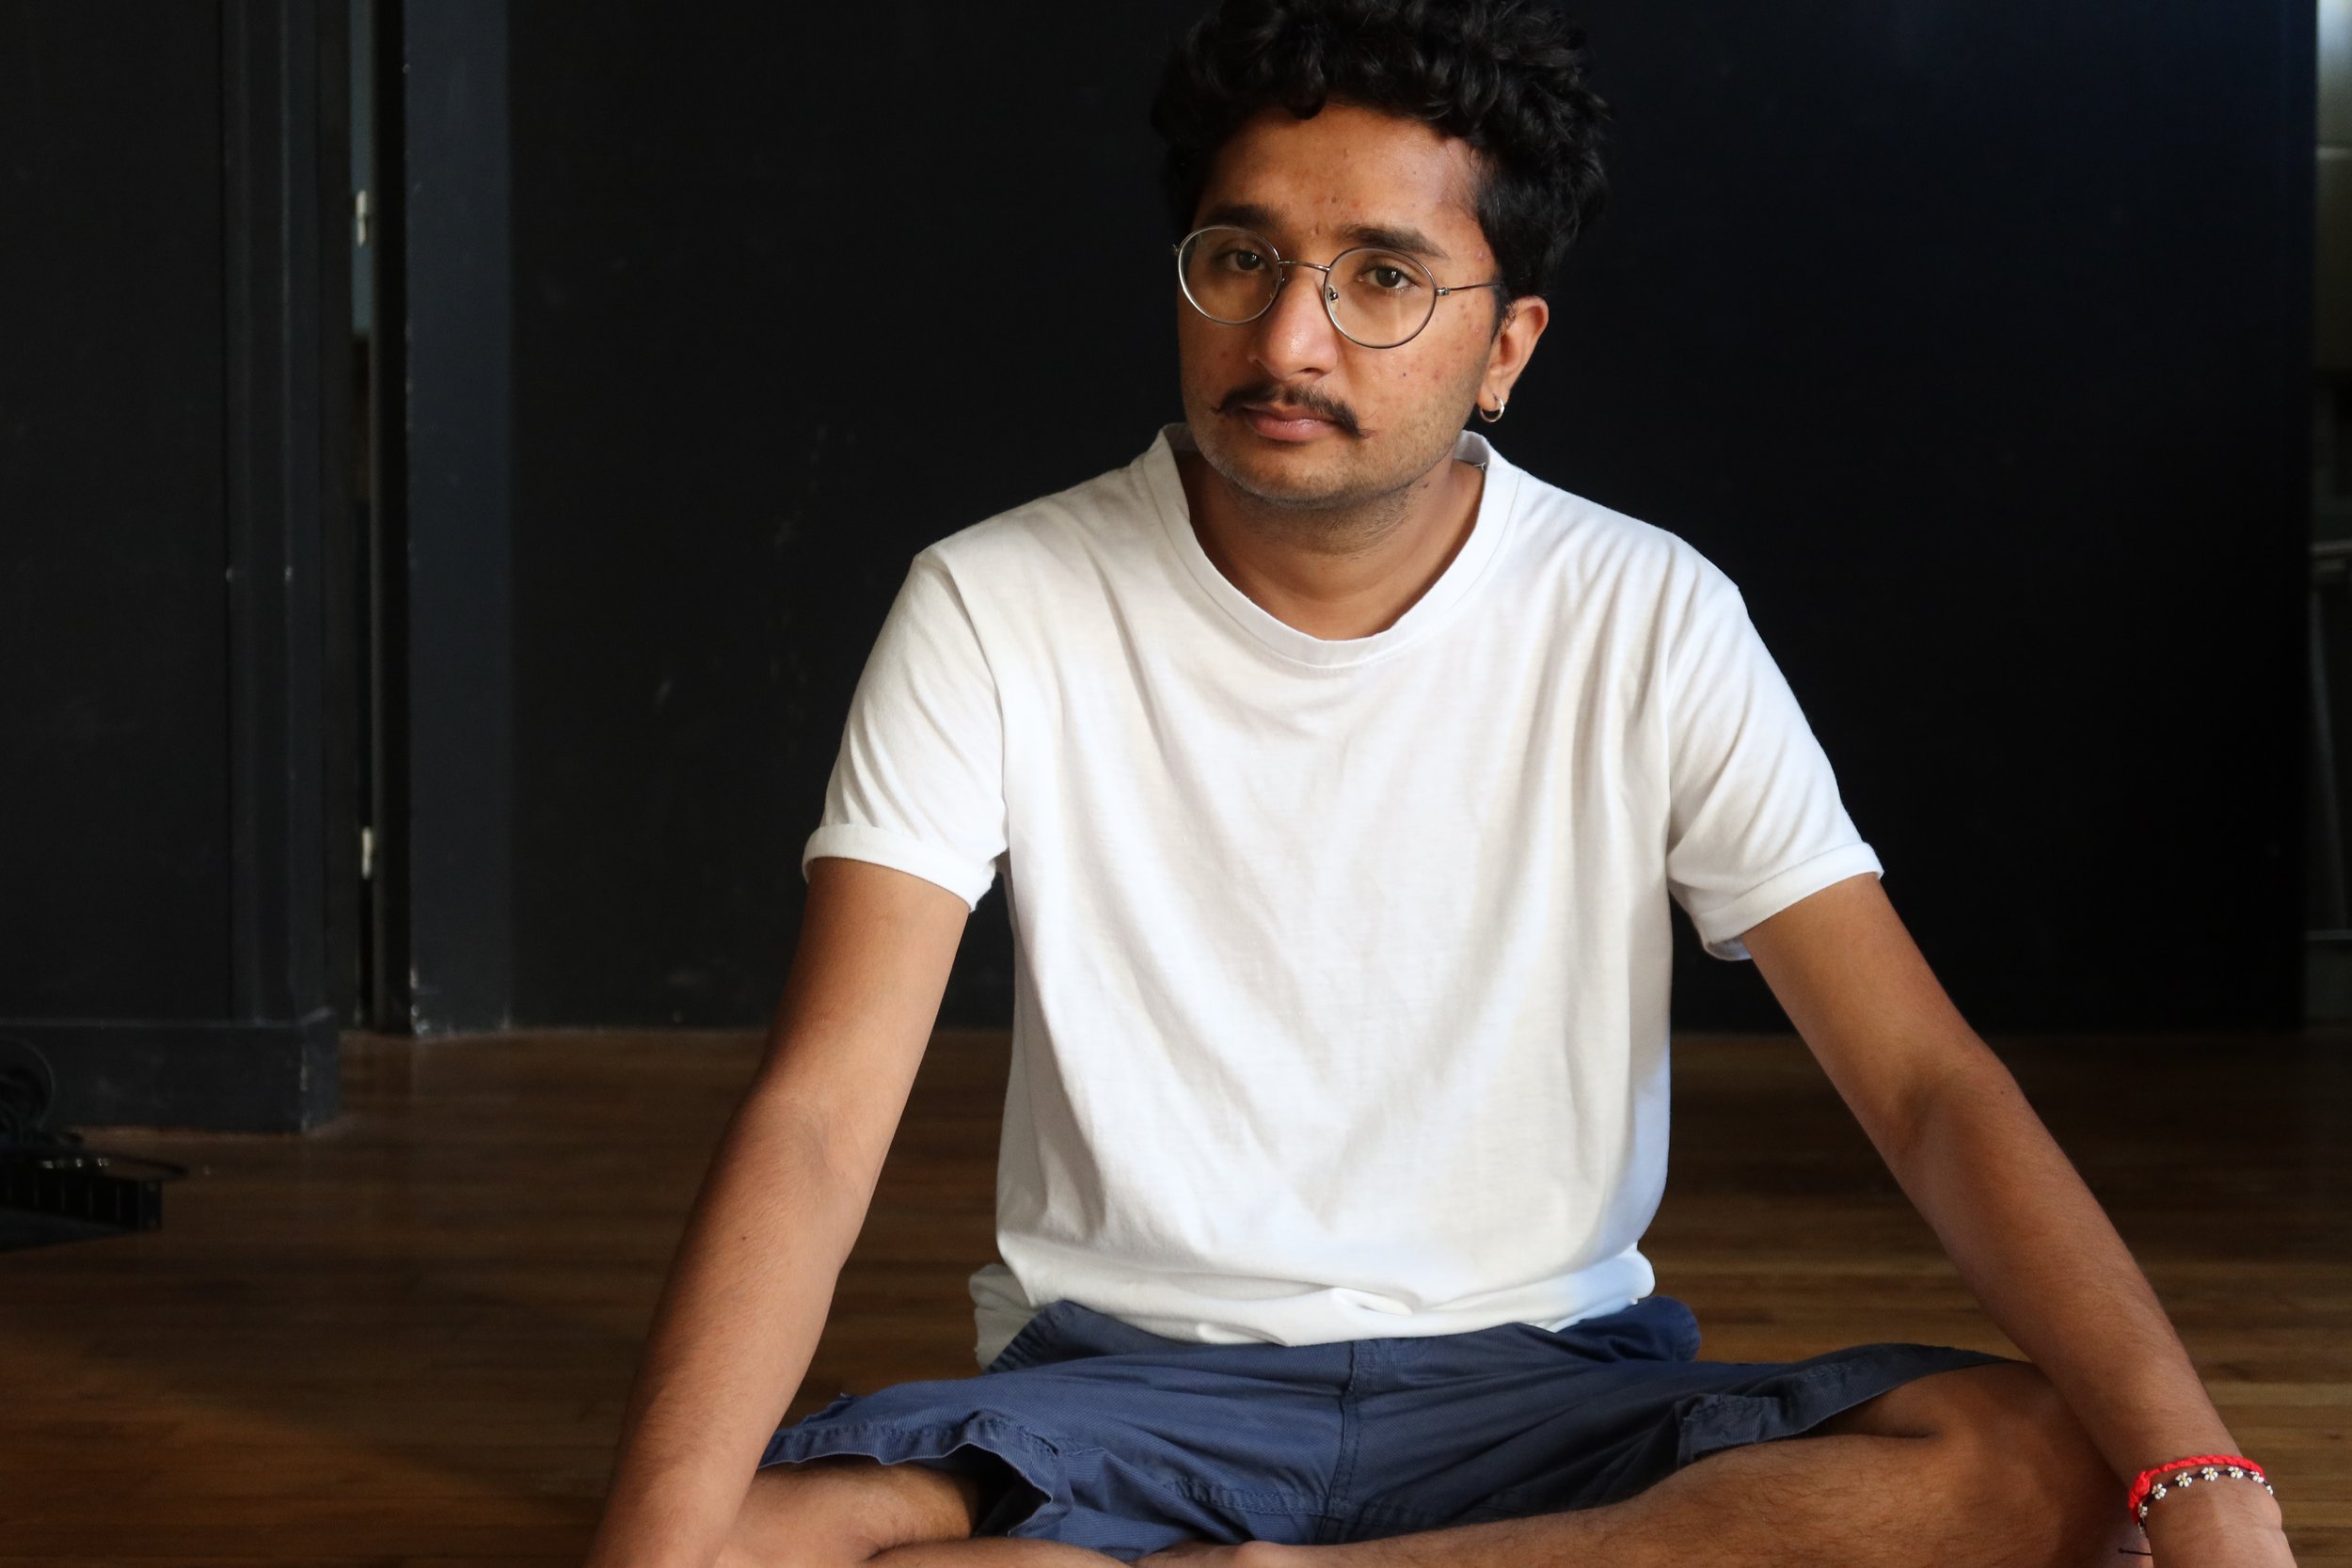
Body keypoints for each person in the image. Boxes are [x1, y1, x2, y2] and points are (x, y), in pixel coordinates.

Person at [583, 3, 2298, 1565]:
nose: (1292, 340)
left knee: (2048, 1467)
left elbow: (1924, 1082)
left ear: (1506, 345)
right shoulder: (999, 598)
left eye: (1382, 278)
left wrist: (2202, 1481)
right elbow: (818, 1120)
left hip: (1547, 1392)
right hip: (1128, 1387)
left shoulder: (1647, 611)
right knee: (732, 1536)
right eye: (1240, 258)